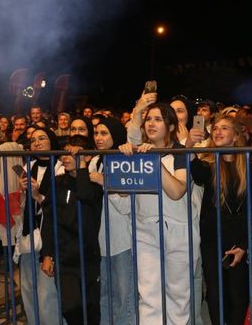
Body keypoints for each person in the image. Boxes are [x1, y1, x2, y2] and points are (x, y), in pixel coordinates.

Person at [119, 103, 198, 324]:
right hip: (145, 232)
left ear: (171, 126)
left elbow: (176, 191)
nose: (151, 124)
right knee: (149, 297)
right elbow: (124, 193)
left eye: (158, 119)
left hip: (177, 231)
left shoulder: (180, 152)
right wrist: (128, 158)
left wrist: (153, 162)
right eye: (149, 119)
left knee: (178, 296)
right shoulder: (137, 151)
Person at [190, 115, 252, 325]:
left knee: (238, 295)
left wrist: (243, 245)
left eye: (224, 128)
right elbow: (197, 172)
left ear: (236, 135)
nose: (218, 132)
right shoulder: (209, 164)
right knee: (216, 295)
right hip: (213, 240)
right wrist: (189, 146)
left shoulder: (249, 166)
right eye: (215, 129)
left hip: (238, 239)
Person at [38, 135, 102, 325]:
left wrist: (81, 165)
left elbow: (85, 195)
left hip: (89, 256)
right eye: (64, 153)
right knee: (70, 306)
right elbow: (49, 220)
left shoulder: (95, 183)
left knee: (90, 308)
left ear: (87, 156)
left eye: (72, 153)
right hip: (65, 257)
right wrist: (47, 254)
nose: (65, 157)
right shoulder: (58, 182)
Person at [88, 118, 136, 324]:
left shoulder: (123, 159)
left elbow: (127, 206)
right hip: (99, 241)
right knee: (104, 297)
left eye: (104, 133)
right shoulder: (94, 160)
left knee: (125, 299)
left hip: (122, 242)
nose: (98, 137)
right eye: (96, 133)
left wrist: (105, 182)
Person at [14, 126, 62, 325]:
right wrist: (23, 192)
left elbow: (58, 207)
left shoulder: (61, 166)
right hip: (28, 236)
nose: (37, 143)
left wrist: (37, 195)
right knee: (28, 292)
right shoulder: (28, 166)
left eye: (42, 138)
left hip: (49, 238)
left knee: (46, 297)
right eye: (33, 140)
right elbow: (23, 207)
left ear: (52, 141)